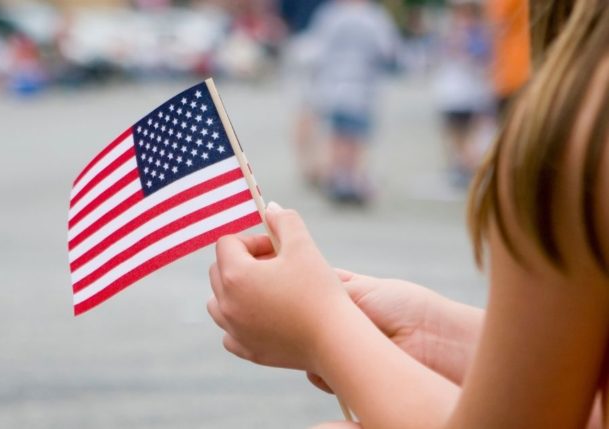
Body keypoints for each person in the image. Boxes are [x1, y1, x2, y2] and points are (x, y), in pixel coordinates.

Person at [207, 0, 609, 427]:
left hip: (342, 91)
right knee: (351, 141)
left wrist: (321, 326)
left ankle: (344, 177)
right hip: (360, 91)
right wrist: (434, 331)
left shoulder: (580, 128)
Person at [300, 0, 398, 204]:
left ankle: (339, 178)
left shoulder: (330, 15)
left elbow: (316, 50)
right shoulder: (374, 17)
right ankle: (351, 178)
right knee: (355, 137)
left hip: (335, 86)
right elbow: (387, 49)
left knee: (339, 135)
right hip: (363, 87)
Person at [433, 0, 493, 188]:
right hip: (451, 93)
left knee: (468, 134)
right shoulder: (449, 32)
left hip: (470, 93)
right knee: (453, 134)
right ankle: (461, 166)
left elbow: (482, 58)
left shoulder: (478, 33)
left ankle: (472, 168)